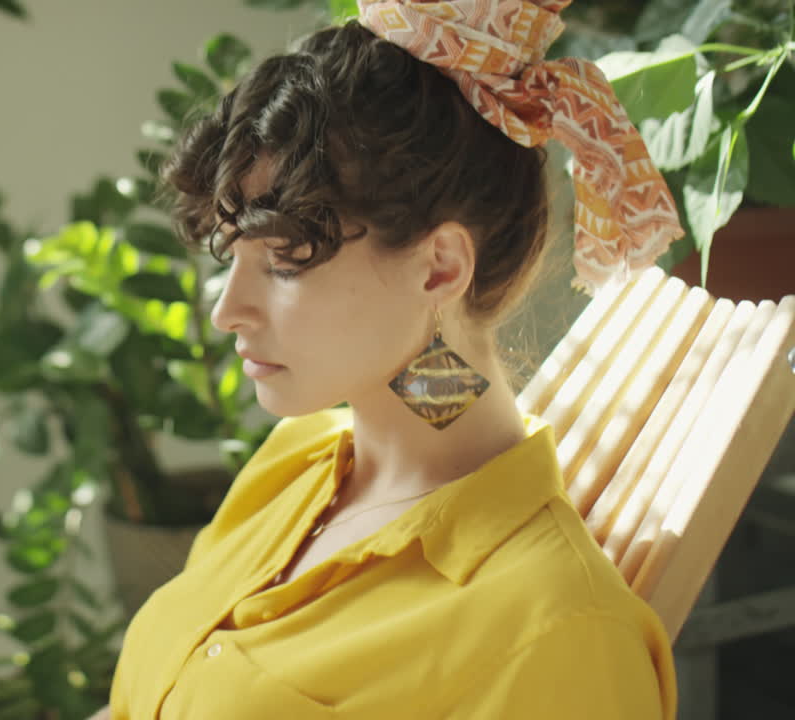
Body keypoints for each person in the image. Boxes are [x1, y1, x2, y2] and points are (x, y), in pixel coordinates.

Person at [92, 1, 683, 717]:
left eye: (283, 261)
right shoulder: (295, 465)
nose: (227, 311)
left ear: (438, 269)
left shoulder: (558, 630)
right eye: (232, 254)